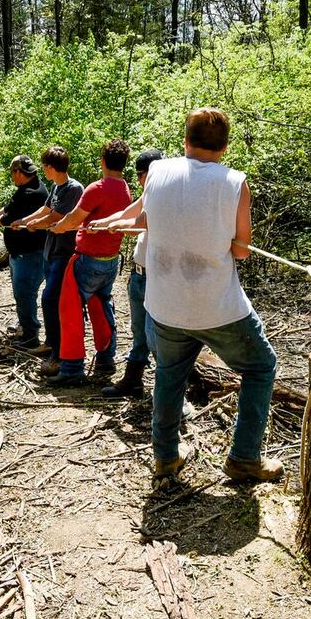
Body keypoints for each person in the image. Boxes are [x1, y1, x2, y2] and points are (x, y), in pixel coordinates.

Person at [99, 109, 284, 483]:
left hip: (164, 302)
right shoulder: (235, 182)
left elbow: (148, 218)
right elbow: (243, 250)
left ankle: (166, 456)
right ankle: (245, 456)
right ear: (225, 147)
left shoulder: (158, 173)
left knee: (168, 375)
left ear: (186, 141)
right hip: (217, 304)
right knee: (261, 367)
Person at [40, 140, 133, 385]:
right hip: (111, 261)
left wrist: (59, 228)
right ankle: (106, 357)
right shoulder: (125, 189)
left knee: (69, 309)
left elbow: (73, 219)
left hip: (88, 260)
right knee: (101, 307)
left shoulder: (96, 188)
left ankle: (71, 369)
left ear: (103, 161)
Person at [97, 148, 165, 398]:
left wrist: (113, 226)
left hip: (157, 278)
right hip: (139, 275)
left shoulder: (167, 197)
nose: (140, 179)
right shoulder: (149, 194)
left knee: (155, 338)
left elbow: (138, 224)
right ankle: (133, 380)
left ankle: (173, 396)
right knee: (139, 333)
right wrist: (103, 223)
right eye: (138, 174)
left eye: (143, 174)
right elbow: (129, 213)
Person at [10, 147, 84, 361]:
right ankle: (51, 343)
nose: (42, 170)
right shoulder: (55, 187)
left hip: (64, 252)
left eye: (44, 166)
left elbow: (57, 216)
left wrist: (35, 224)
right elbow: (45, 209)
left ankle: (59, 351)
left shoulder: (73, 188)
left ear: (51, 167)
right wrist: (24, 221)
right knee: (51, 300)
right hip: (50, 251)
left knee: (50, 299)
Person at [0, 154, 49, 348]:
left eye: (13, 172)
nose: (12, 176)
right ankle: (25, 324)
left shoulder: (33, 193)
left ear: (19, 172)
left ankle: (30, 335)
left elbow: (11, 217)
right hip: (20, 254)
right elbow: (10, 208)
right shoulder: (26, 189)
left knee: (25, 294)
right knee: (21, 293)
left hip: (30, 254)